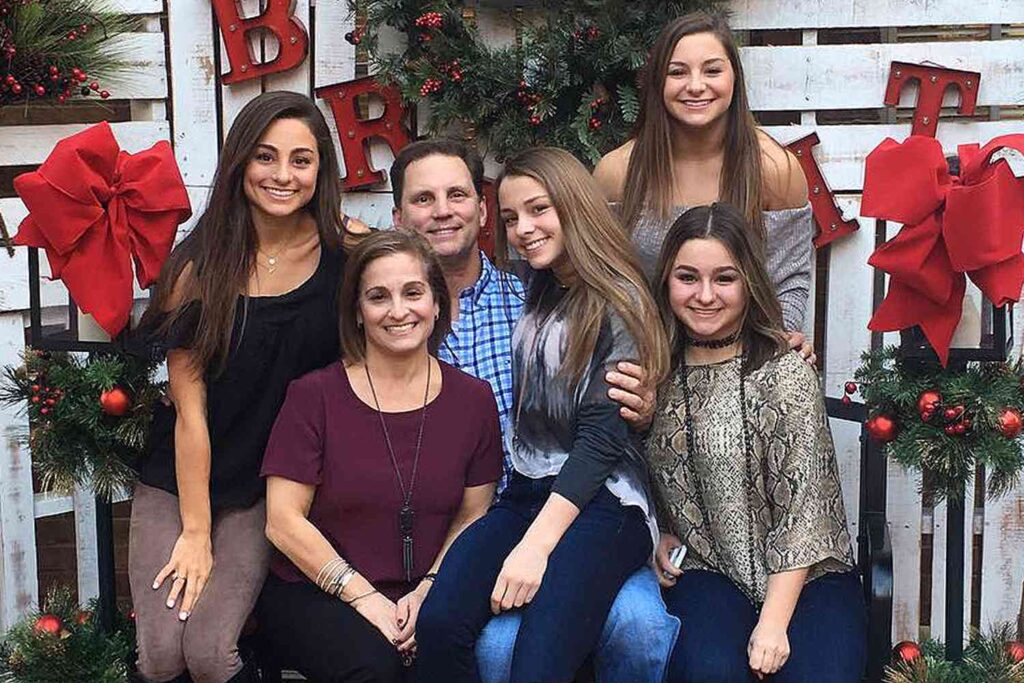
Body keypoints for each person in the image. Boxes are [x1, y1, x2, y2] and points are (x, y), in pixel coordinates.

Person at [390, 139, 679, 682]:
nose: (523, 229)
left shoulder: (618, 298)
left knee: (538, 658)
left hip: (604, 502)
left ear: (575, 205)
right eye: (511, 217)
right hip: (526, 492)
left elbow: (600, 443)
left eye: (539, 209)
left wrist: (533, 550)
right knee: (443, 622)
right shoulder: (540, 285)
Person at [128, 91, 354, 683]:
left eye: (301, 160)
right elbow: (189, 414)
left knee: (208, 653)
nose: (283, 175)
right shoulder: (195, 268)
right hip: (181, 477)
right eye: (265, 157)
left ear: (321, 170)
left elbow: (411, 296)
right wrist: (196, 531)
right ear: (239, 165)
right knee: (158, 658)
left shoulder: (347, 254)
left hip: (269, 487)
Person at [257, 230, 503, 682]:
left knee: (446, 650)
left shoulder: (474, 400)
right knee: (375, 664)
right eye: (377, 296)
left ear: (436, 304)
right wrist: (366, 599)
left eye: (413, 292)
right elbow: (283, 521)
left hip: (431, 589)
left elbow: (473, 515)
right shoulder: (314, 397)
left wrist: (430, 589)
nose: (398, 311)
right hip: (319, 590)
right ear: (356, 311)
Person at [646, 203, 867, 682]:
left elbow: (804, 511)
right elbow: (630, 468)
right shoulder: (654, 374)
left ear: (748, 284)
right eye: (688, 277)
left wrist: (772, 624)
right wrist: (655, 532)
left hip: (809, 578)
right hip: (708, 571)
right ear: (666, 281)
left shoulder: (785, 370)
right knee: (707, 672)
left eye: (724, 278)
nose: (705, 295)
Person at [593, 11, 814, 339]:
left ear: (734, 78)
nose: (696, 86)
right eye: (678, 72)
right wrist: (636, 362)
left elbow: (787, 282)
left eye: (712, 70)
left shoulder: (774, 170)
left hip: (743, 360)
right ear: (658, 83)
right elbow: (606, 282)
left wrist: (775, 351)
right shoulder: (617, 173)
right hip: (643, 359)